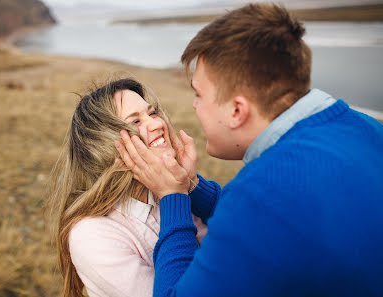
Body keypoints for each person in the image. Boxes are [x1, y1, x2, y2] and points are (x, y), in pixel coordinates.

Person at [115, 3, 383, 297]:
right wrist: (191, 187)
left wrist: (171, 197)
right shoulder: (369, 128)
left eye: (199, 94)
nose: (194, 105)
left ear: (236, 110)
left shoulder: (262, 196)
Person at [47, 78, 207, 297]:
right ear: (105, 146)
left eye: (152, 113)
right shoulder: (92, 236)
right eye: (135, 122)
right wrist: (175, 196)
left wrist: (190, 185)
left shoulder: (168, 188)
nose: (157, 124)